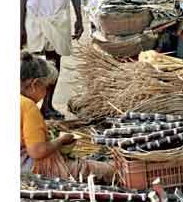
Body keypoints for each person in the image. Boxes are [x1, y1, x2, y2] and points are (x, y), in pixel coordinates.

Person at [20, 52, 114, 183]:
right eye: (46, 87)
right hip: (29, 168)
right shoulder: (28, 106)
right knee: (108, 171)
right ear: (35, 84)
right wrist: (61, 140)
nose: (46, 92)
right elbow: (37, 151)